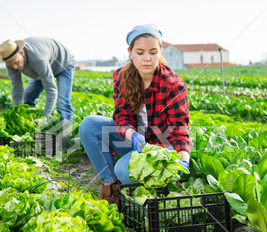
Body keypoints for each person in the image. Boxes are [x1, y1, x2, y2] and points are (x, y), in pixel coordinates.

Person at [79, 24, 190, 205]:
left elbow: (180, 130)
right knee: (89, 125)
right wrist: (132, 135)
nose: (147, 58)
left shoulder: (173, 85)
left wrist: (183, 161)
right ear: (130, 52)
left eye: (153, 52)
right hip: (135, 141)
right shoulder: (122, 77)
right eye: (140, 52)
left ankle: (149, 184)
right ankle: (111, 187)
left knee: (124, 170)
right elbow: (122, 116)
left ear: (160, 53)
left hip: (159, 149)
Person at [0, 37, 75, 138]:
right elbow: (17, 88)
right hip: (42, 69)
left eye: (16, 63)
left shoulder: (38, 59)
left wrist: (45, 116)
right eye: (11, 65)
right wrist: (16, 111)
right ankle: (30, 129)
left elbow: (51, 90)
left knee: (63, 103)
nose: (14, 67)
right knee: (27, 96)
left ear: (22, 53)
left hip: (63, 64)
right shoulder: (11, 63)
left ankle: (66, 137)